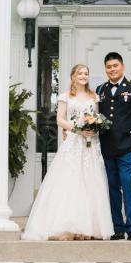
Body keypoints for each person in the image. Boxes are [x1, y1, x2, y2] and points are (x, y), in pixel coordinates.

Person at [22, 63, 115, 241]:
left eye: (86, 73)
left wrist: (94, 128)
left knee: (91, 182)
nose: (83, 76)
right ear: (73, 76)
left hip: (90, 144)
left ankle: (88, 228)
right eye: (80, 73)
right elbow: (59, 120)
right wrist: (77, 129)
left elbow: (96, 118)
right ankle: (67, 226)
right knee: (71, 181)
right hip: (73, 142)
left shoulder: (93, 96)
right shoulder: (65, 96)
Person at [96, 51, 131, 241]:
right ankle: (117, 228)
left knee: (128, 186)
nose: (112, 69)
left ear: (122, 66)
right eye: (109, 67)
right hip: (106, 148)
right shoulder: (100, 90)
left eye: (115, 66)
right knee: (112, 188)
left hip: (126, 148)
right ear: (105, 69)